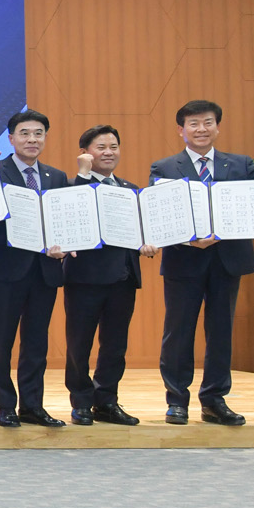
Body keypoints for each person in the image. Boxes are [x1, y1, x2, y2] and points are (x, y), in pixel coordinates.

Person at [150, 100, 254, 426]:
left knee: (220, 332)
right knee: (178, 333)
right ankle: (177, 401)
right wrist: (188, 239)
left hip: (227, 261)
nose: (201, 129)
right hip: (183, 260)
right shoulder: (164, 168)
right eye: (193, 124)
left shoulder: (241, 165)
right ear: (181, 130)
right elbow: (160, 216)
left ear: (217, 127)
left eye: (208, 123)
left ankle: (214, 400)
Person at [0, 109, 69, 428]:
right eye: (25, 133)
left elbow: (62, 221)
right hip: (4, 270)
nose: (32, 139)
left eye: (38, 133)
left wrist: (64, 245)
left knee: (36, 342)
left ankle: (32, 405)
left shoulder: (57, 177)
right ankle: (5, 405)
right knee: (1, 340)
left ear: (45, 137)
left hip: (44, 270)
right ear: (11, 138)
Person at [66, 125, 156, 426]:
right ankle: (81, 402)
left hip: (123, 278)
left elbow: (140, 230)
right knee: (79, 343)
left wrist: (147, 243)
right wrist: (83, 174)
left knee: (115, 345)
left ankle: (106, 400)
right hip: (84, 279)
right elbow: (71, 216)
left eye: (113, 146)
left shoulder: (130, 189)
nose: (108, 152)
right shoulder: (72, 185)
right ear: (86, 153)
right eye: (101, 147)